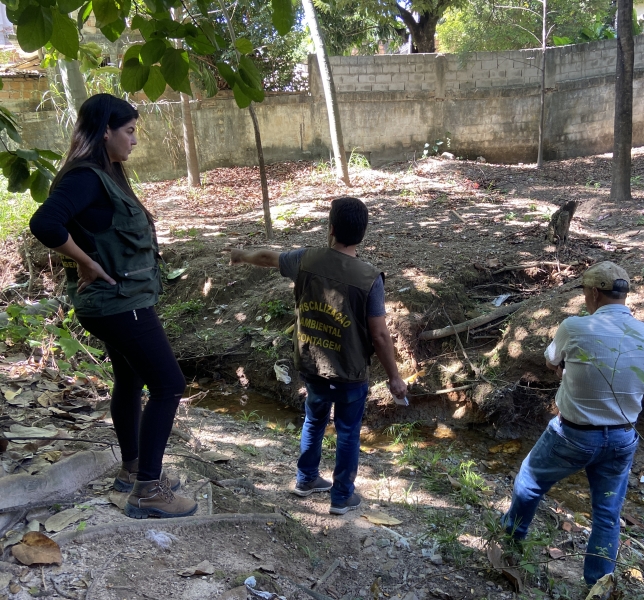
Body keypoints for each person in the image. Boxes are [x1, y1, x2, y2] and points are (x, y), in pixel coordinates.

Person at [29, 94, 197, 519]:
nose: (134, 139)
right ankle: (148, 492)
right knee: (169, 385)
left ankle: (134, 469)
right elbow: (44, 223)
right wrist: (85, 262)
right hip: (117, 302)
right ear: (105, 130)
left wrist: (86, 258)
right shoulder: (85, 177)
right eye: (129, 130)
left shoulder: (106, 173)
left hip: (120, 301)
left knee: (132, 377)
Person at [229, 196, 407, 515]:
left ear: (331, 228)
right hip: (349, 372)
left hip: (312, 364)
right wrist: (394, 377)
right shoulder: (369, 278)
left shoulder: (306, 259)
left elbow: (270, 257)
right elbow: (380, 335)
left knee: (314, 419)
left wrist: (241, 255)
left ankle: (306, 478)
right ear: (363, 233)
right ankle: (341, 497)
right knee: (348, 431)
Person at [502, 261, 644, 585]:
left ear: (592, 292)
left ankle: (510, 542)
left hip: (574, 435)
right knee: (607, 514)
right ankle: (598, 585)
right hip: (622, 437)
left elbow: (552, 360)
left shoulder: (575, 327)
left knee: (529, 482)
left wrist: (567, 372)